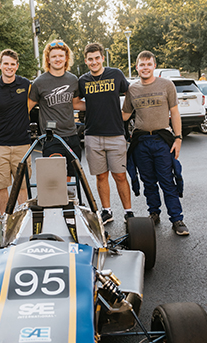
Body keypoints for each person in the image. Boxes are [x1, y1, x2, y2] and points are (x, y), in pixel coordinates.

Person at [122, 50, 189, 236]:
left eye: (148, 64)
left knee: (167, 180)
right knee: (148, 181)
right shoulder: (132, 89)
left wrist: (178, 138)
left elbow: (175, 113)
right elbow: (125, 115)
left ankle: (177, 219)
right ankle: (154, 213)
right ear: (136, 67)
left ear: (154, 66)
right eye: (141, 65)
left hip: (162, 140)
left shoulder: (166, 85)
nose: (145, 67)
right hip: (141, 141)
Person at [78, 42, 134, 224]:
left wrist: (125, 114)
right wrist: (93, 106)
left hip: (116, 133)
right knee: (101, 176)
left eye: (97, 58)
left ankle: (128, 212)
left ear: (102, 58)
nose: (94, 62)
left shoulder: (115, 74)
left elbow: (130, 93)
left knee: (120, 175)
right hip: (93, 135)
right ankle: (107, 211)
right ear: (86, 61)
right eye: (90, 59)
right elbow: (75, 102)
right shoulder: (83, 81)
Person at [29, 39, 81, 181]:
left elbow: (76, 104)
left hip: (71, 135)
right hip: (52, 138)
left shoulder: (73, 80)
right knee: (54, 178)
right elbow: (26, 108)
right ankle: (57, 201)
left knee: (70, 176)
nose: (57, 59)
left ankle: (67, 201)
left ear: (66, 58)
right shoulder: (39, 82)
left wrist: (102, 104)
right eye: (54, 56)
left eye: (60, 56)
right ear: (48, 59)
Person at [0, 49, 31, 214]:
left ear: (17, 66)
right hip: (0, 145)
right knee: (1, 185)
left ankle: (23, 218)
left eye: (12, 64)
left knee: (22, 186)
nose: (9, 67)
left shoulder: (26, 85)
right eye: (6, 63)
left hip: (22, 144)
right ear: (0, 65)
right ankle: (5, 220)